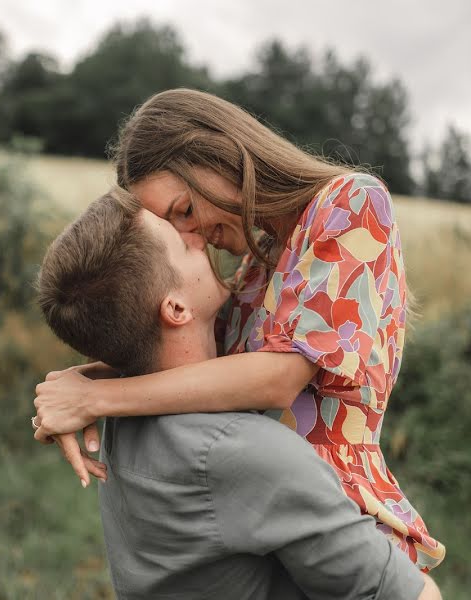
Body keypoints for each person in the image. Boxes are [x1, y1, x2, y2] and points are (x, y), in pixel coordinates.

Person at [33, 88, 445, 571]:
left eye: (185, 211)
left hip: (341, 521)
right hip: (260, 523)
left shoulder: (351, 204)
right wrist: (76, 381)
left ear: (222, 154)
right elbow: (197, 364)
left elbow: (279, 378)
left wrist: (97, 400)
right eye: (175, 231)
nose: (195, 237)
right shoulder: (258, 257)